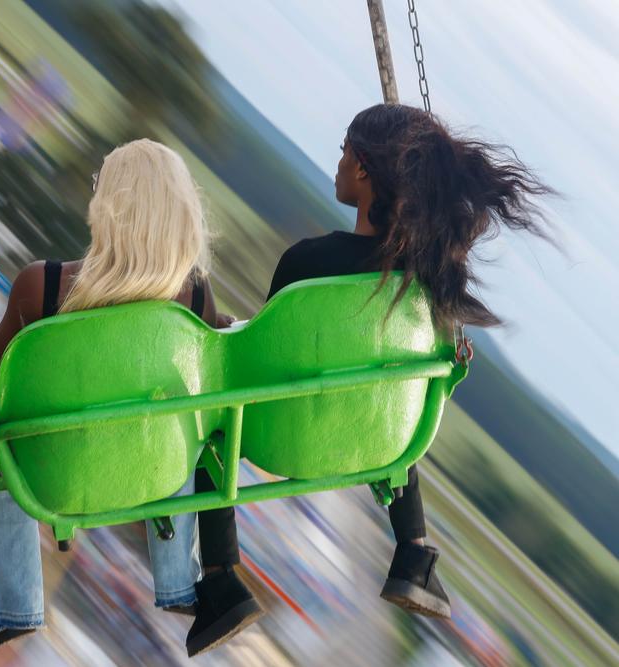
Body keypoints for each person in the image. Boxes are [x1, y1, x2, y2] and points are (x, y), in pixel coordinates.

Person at [191, 103, 552, 631]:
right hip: (376, 441)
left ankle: (222, 581)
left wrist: (224, 329)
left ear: (362, 167)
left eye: (343, 151)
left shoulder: (306, 265)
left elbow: (261, 365)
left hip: (280, 440)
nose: (336, 162)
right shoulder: (422, 289)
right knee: (392, 396)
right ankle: (413, 554)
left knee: (211, 426)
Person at [0, 139, 262, 652]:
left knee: (2, 443)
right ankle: (179, 581)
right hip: (154, 475)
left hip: (55, 479)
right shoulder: (195, 296)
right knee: (194, 429)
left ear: (109, 206)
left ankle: (15, 605)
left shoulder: (41, 288)